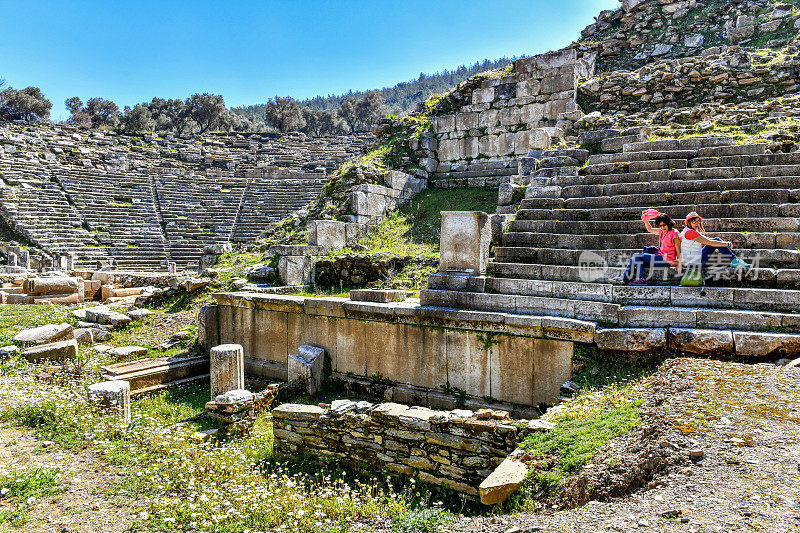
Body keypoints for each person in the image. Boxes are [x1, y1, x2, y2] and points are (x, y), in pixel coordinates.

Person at [610, 211, 682, 285]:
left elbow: (678, 249)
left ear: (669, 223)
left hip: (667, 260)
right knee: (635, 259)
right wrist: (646, 220)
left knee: (636, 256)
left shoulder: (675, 233)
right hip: (660, 257)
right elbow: (650, 229)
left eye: (664, 225)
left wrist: (679, 264)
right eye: (660, 226)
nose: (662, 227)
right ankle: (626, 279)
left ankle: (635, 279)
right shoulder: (662, 232)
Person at [680, 211, 750, 270]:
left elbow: (707, 240)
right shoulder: (690, 233)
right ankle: (734, 261)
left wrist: (722, 243)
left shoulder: (687, 230)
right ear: (688, 222)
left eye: (698, 221)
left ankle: (734, 261)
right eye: (693, 221)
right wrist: (727, 244)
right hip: (693, 263)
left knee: (716, 241)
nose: (696, 223)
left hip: (691, 261)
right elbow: (709, 242)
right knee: (715, 241)